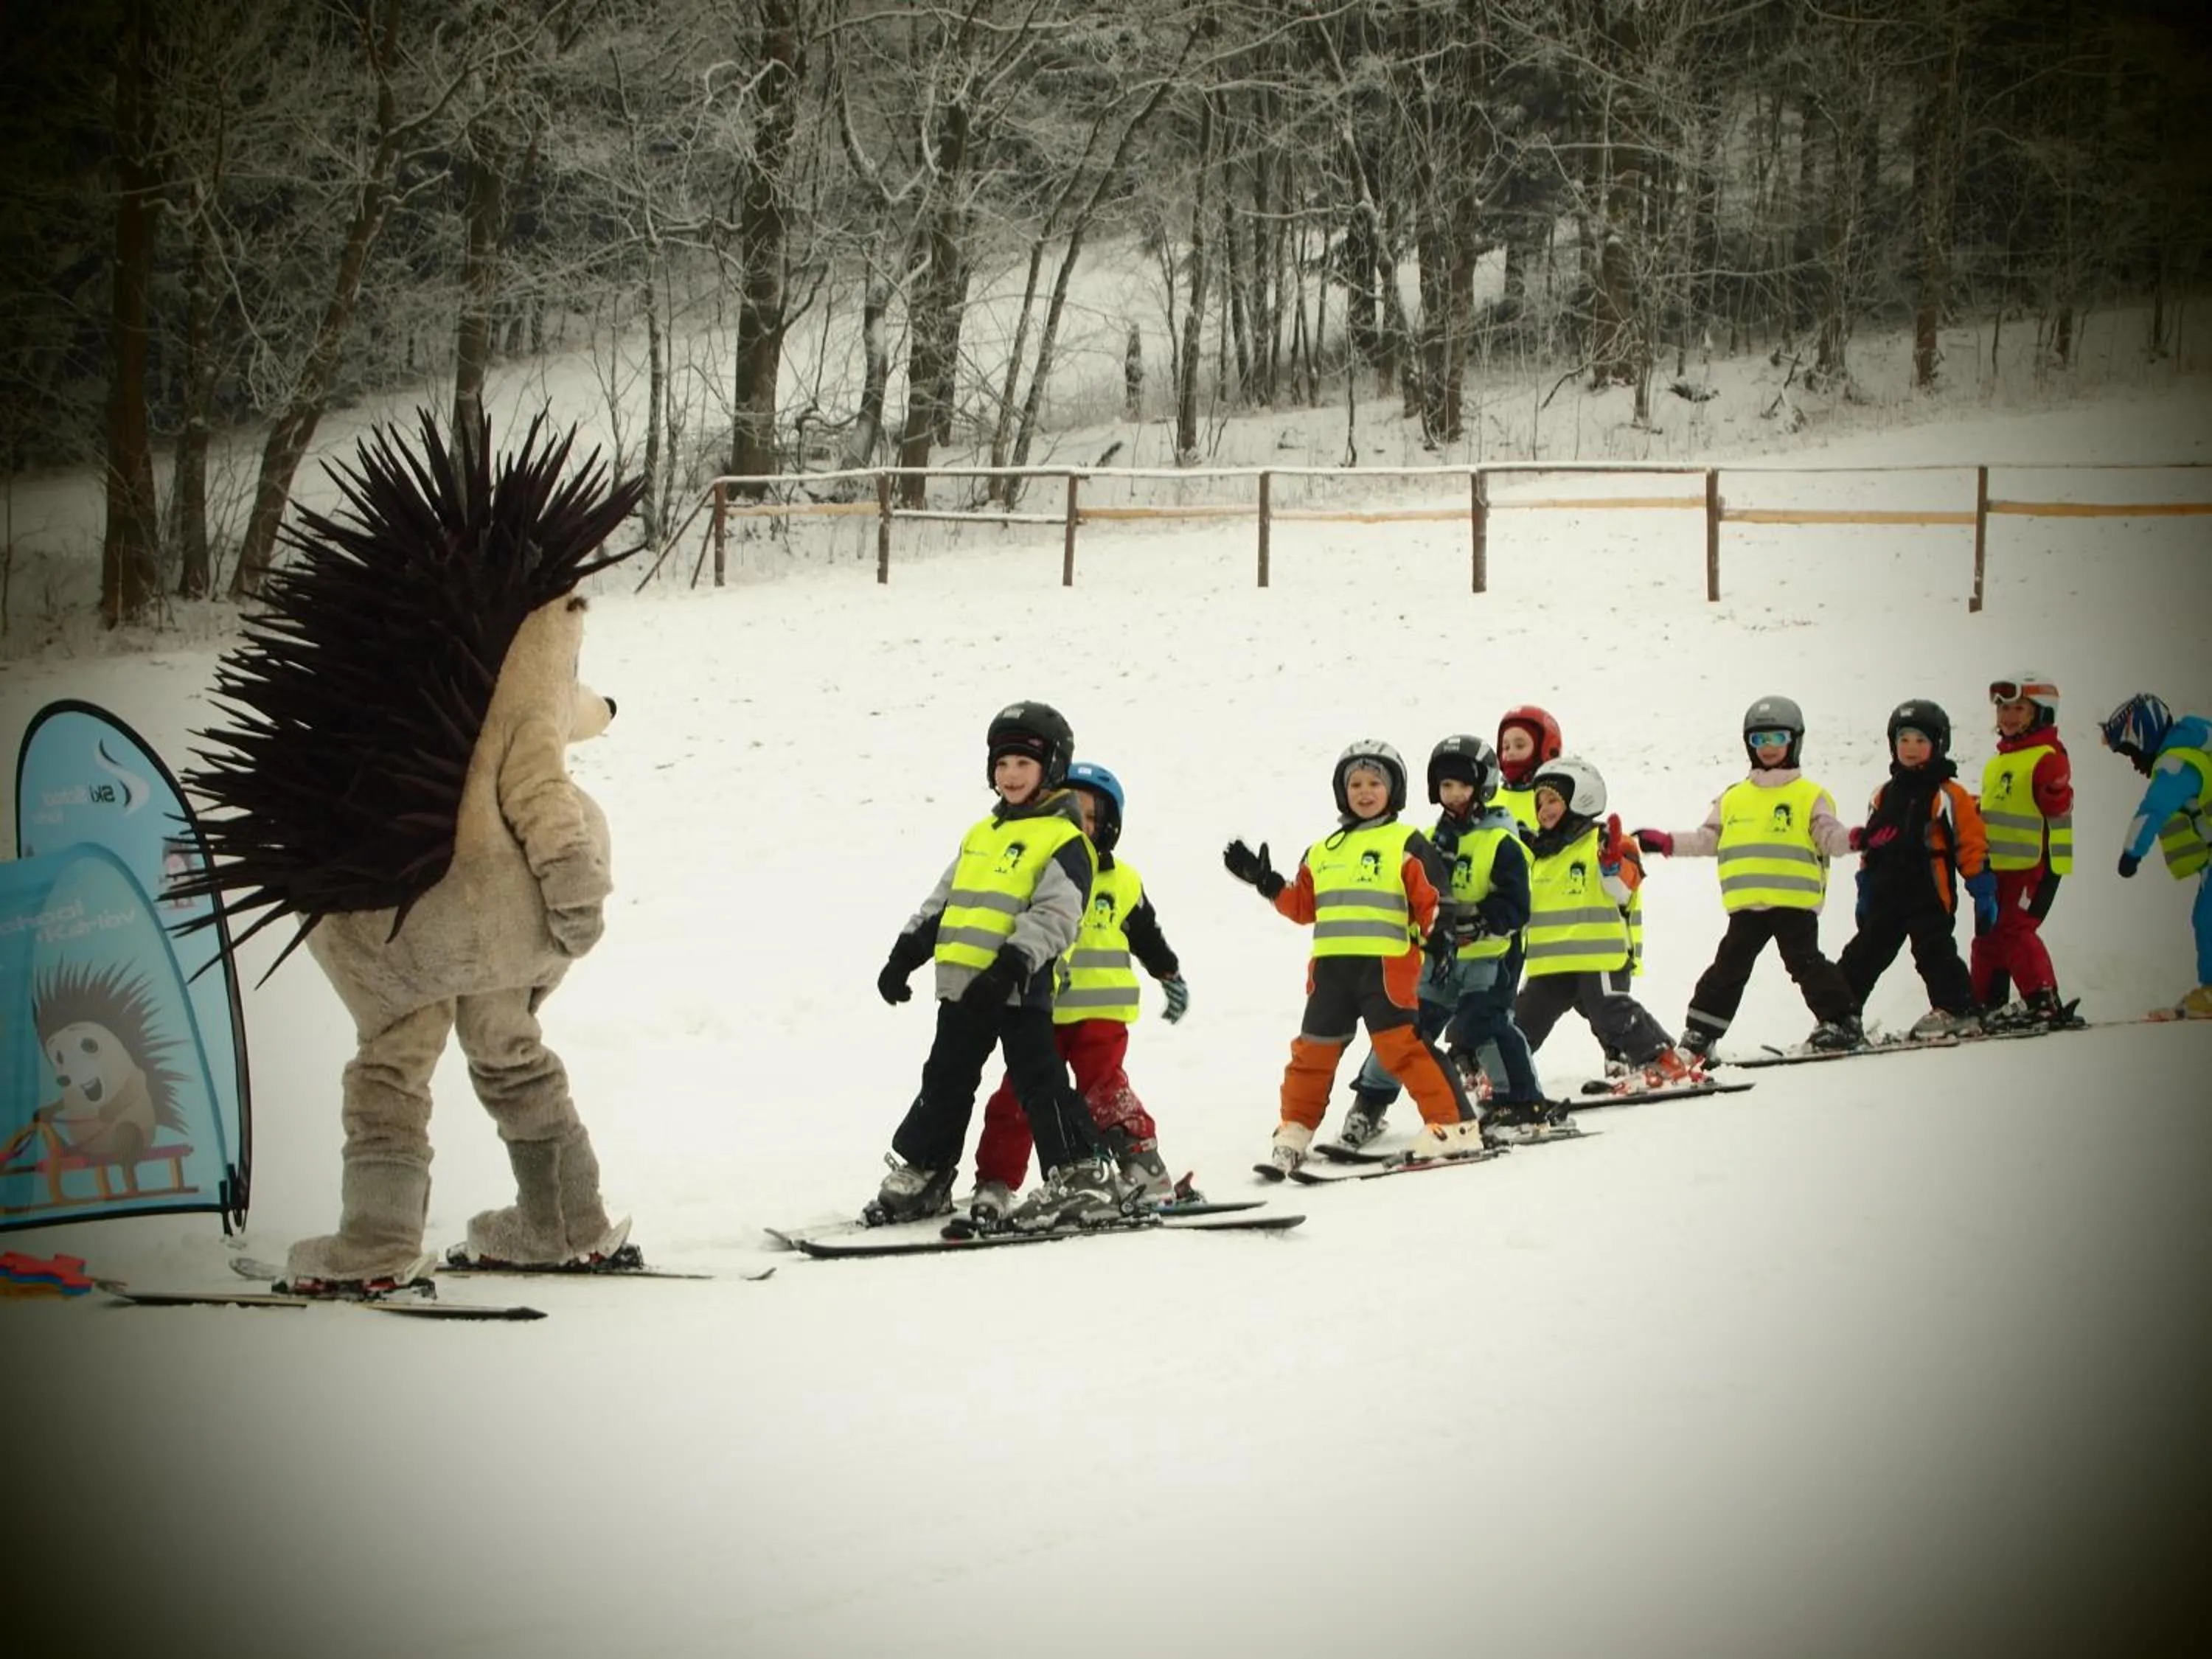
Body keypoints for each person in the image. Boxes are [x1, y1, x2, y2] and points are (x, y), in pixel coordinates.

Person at [872, 701, 1123, 1232]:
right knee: (945, 1080)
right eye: (1002, 764)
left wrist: (1010, 967)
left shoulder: (1064, 840)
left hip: (1019, 987)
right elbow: (944, 901)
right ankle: (928, 1172)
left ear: (1051, 770)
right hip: (962, 988)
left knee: (1039, 1082)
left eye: (1023, 765)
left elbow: (1057, 915)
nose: (1009, 775)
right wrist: (905, 954)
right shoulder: (980, 835)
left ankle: (1081, 1176)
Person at [1223, 741, 1485, 1175]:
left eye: (1375, 783)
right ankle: (1295, 1128)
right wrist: (1268, 883)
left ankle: (1455, 1127)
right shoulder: (1323, 849)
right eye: (1356, 784)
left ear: (1393, 790)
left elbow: (1433, 898)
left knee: (1402, 1049)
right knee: (1313, 1052)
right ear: (1342, 792)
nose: (1364, 792)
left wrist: (1440, 939)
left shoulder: (1406, 842)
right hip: (1331, 972)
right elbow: (1303, 907)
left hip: (1386, 969)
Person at [967, 761, 1192, 1221]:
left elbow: (1146, 934)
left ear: (1110, 824)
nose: (1079, 824)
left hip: (1100, 1012)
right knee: (1017, 1097)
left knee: (1104, 1091)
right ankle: (994, 1181)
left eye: (1091, 816)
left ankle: (1142, 1168)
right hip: (1040, 1011)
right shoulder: (1037, 869)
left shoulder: (1123, 880)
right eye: (1069, 812)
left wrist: (1168, 974)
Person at [1338, 735, 1542, 1147]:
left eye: (1462, 785)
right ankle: (1370, 1103)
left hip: (1490, 957)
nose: (1453, 794)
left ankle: (1521, 1102)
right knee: (1405, 1030)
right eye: (1445, 786)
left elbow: (1517, 906)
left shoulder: (1502, 841)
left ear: (1482, 787)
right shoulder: (1429, 839)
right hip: (1438, 959)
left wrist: (1480, 920)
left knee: (1482, 1024)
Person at [1632, 695, 1863, 1057]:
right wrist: (1666, 843)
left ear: (1794, 741)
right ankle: (1700, 1035)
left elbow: (1829, 836)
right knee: (1728, 967)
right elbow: (1708, 840)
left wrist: (1855, 839)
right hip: (1746, 906)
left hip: (1794, 903)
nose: (1767, 748)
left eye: (1776, 738)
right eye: (1759, 740)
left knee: (1804, 963)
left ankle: (1842, 1021)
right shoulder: (1734, 797)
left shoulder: (1809, 795)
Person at [1510, 755, 1696, 1094]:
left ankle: (1664, 1061)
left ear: (1582, 797)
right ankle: (1506, 1077)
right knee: (1524, 1019)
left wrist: (1611, 865)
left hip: (1599, 958)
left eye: (1553, 800)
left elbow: (1623, 890)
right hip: (1550, 963)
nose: (1544, 810)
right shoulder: (1541, 853)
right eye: (1540, 803)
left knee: (1610, 1012)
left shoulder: (1608, 841)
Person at [1835, 700, 1996, 1038]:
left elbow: (1970, 841)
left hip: (1928, 894)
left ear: (1938, 745)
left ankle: (1958, 1009)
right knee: (1861, 956)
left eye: (1921, 741)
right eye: (1904, 740)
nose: (1911, 748)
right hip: (1886, 896)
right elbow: (1870, 848)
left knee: (1934, 953)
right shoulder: (1882, 795)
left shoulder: (1949, 794)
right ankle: (1838, 1017)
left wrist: (1981, 887)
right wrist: (1864, 890)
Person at [1969, 672, 2079, 1031]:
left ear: (2041, 713)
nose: (2008, 717)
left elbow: (2057, 801)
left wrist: (2057, 790)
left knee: (2016, 929)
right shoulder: (1999, 762)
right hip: (2001, 866)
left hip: (2037, 864)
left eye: (2018, 709)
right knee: (1988, 935)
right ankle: (1987, 1002)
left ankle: (2043, 999)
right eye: (2003, 709)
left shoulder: (2047, 756)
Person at [2101, 692, 2212, 1018]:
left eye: (2132, 753)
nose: (2135, 764)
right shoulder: (2197, 743)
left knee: (2207, 917)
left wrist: (2131, 853)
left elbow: (2154, 809)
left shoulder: (2176, 762)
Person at [1494, 705, 1563, 837]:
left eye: (1519, 746)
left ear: (1545, 750)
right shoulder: (1489, 799)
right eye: (1506, 747)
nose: (1511, 753)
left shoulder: (1554, 802)